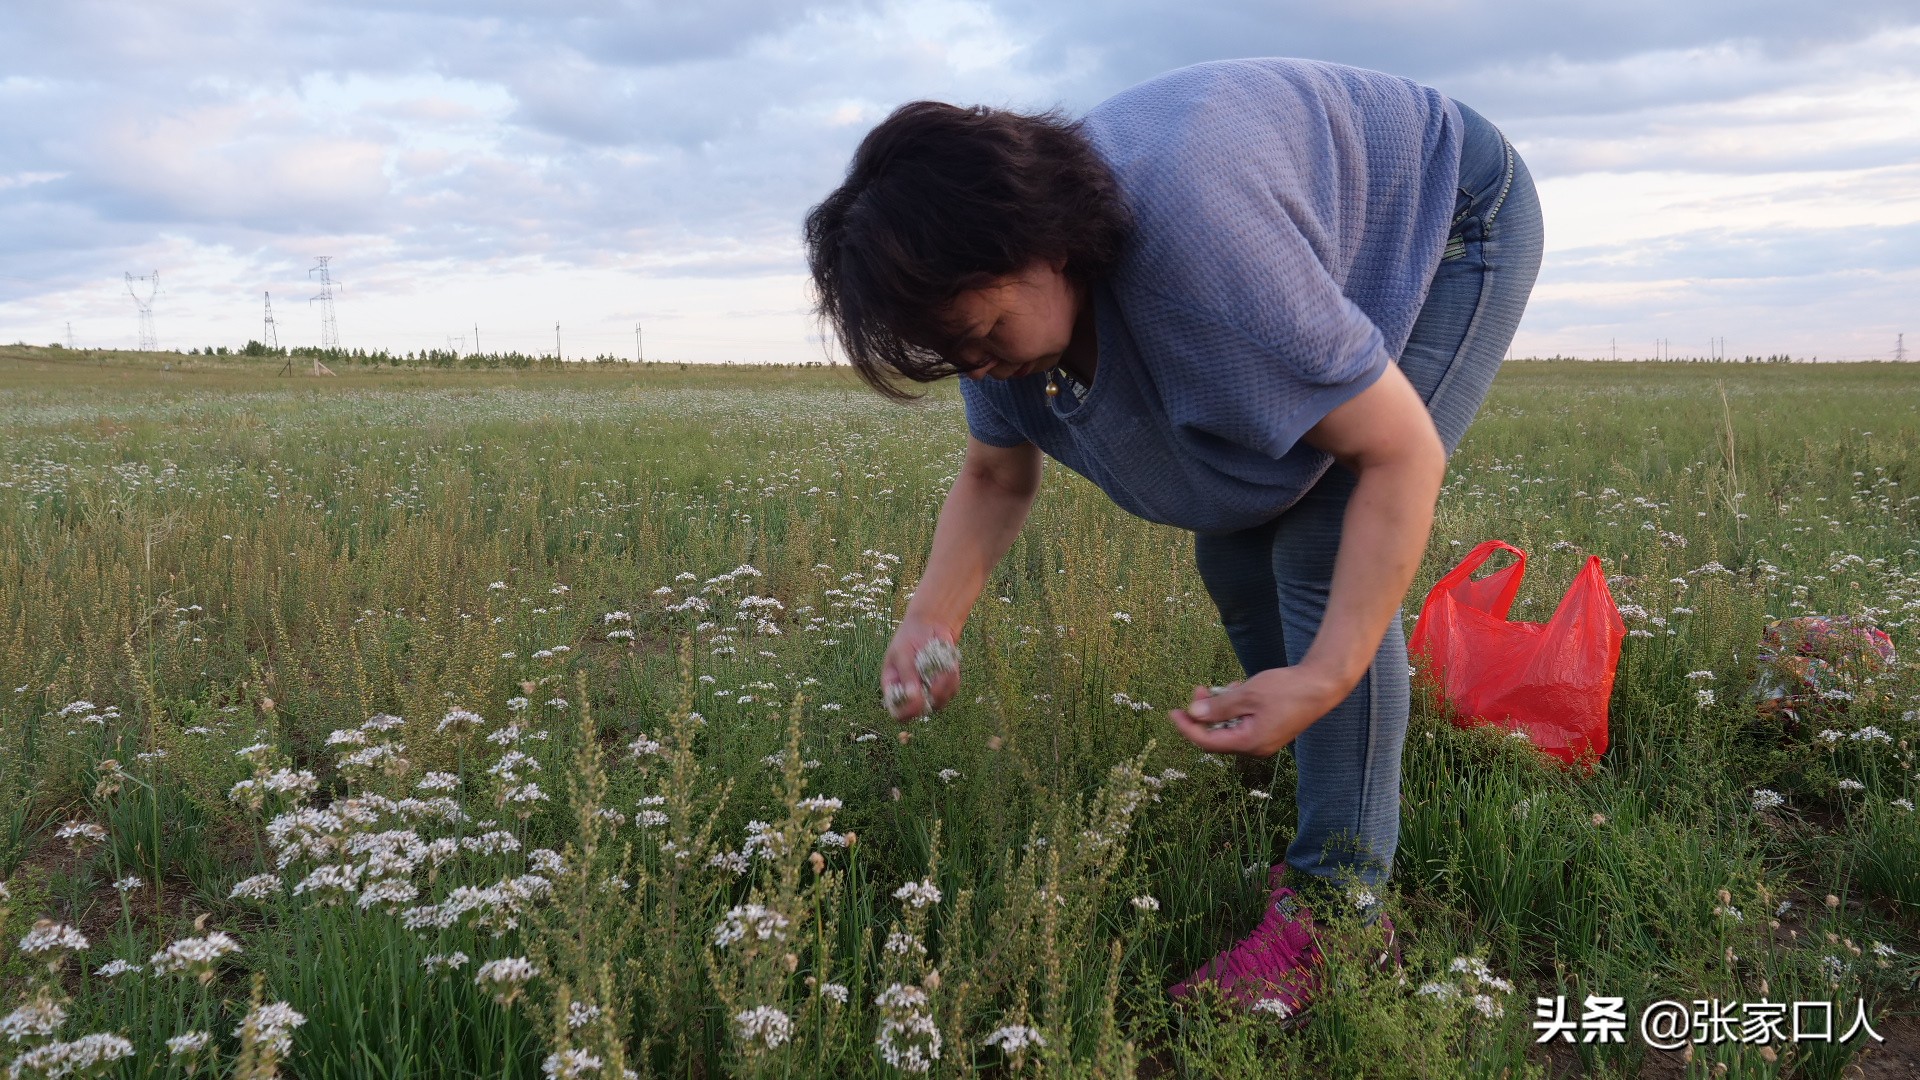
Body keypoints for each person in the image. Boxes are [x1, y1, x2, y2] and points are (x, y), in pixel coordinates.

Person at [803, 56, 1543, 1018]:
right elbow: (995, 472)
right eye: (953, 353)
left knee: (1321, 533)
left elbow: (1396, 454)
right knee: (1233, 542)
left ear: (1048, 250)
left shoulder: (1206, 266)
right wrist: (929, 619)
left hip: (1449, 215)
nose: (976, 364)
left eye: (983, 331)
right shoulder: (982, 294)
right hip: (1281, 215)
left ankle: (1341, 913)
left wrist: (1323, 674)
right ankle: (1322, 752)